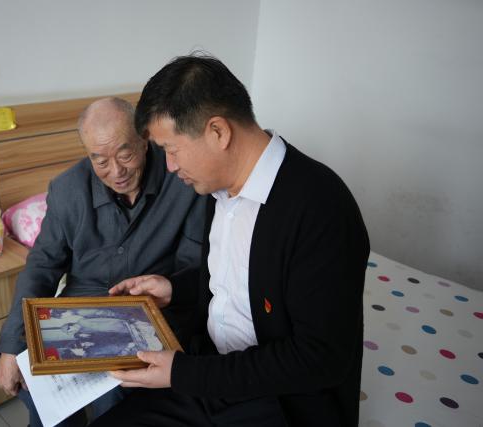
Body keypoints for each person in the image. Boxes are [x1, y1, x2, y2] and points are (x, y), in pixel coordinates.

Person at [91, 55, 370, 426]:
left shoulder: (321, 207)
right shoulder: (218, 190)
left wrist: (183, 373)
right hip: (212, 375)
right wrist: (175, 288)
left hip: (281, 402)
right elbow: (241, 283)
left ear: (218, 132)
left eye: (171, 150)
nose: (170, 167)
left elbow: (320, 358)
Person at [0, 97, 206, 427]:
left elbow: (194, 268)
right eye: (100, 160)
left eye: (125, 154)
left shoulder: (182, 179)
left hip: (152, 315)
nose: (117, 172)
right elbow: (42, 267)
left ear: (144, 139)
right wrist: (12, 347)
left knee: (116, 398)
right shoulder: (67, 190)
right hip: (78, 312)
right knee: (39, 393)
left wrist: (167, 295)